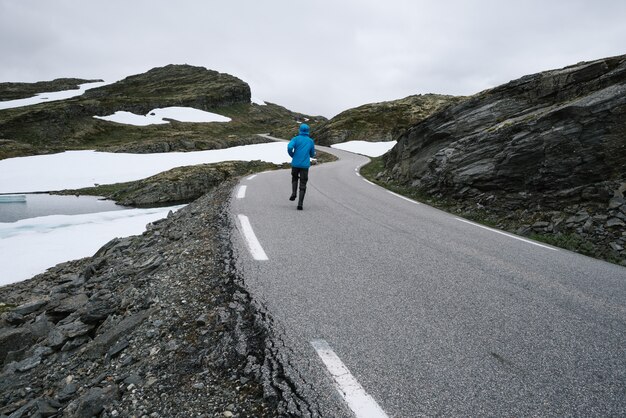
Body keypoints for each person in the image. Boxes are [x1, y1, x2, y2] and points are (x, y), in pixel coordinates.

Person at [287, 123, 316, 210]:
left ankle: (293, 193)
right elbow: (312, 154)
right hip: (305, 165)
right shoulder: (310, 141)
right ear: (308, 131)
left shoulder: (295, 139)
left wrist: (292, 155)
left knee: (294, 178)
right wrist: (312, 154)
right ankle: (300, 204)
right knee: (303, 183)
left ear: (300, 130)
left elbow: (289, 147)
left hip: (295, 164)